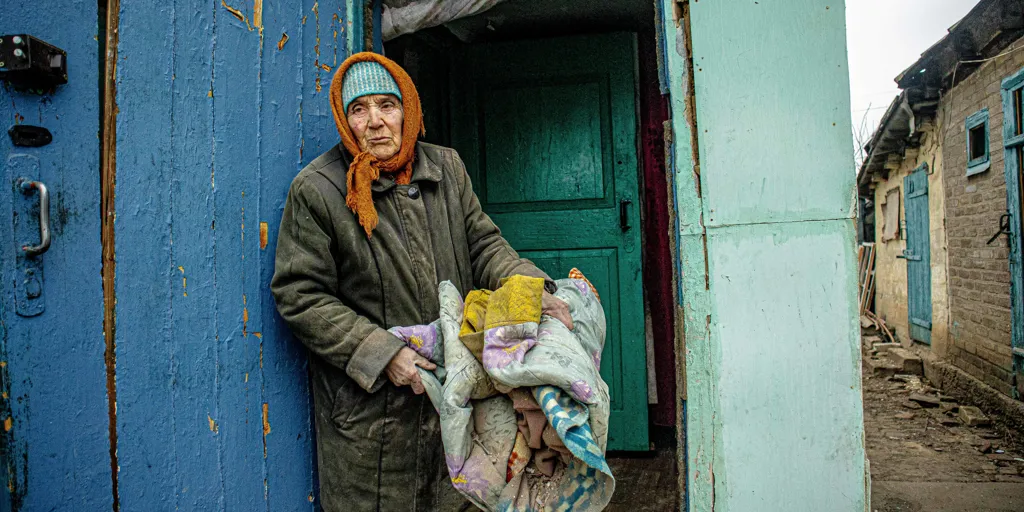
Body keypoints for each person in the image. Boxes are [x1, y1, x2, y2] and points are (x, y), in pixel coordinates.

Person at [270, 52, 573, 512]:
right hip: (375, 417)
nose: (375, 122)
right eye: (359, 109)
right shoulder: (318, 190)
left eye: (386, 105)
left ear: (407, 109)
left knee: (461, 496)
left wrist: (530, 287)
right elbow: (300, 295)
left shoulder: (445, 168)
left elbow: (484, 245)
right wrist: (384, 353)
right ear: (344, 119)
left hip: (457, 394)